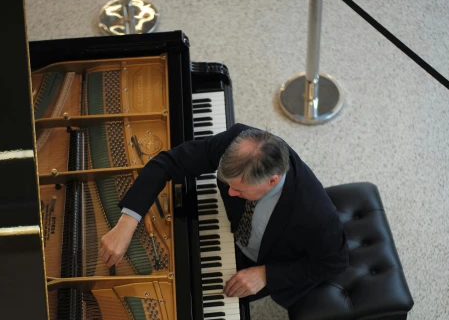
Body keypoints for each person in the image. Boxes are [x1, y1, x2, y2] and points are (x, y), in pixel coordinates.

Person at [99, 123, 349, 309]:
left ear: (272, 181)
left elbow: (334, 262)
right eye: (228, 184)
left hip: (268, 259)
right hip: (234, 231)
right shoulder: (237, 142)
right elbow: (167, 162)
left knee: (192, 304)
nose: (229, 192)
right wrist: (127, 223)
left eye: (239, 190)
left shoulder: (315, 214)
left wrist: (266, 274)